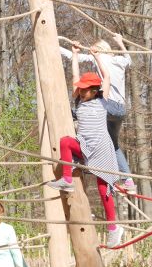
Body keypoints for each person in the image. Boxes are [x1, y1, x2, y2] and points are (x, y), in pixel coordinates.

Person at [48, 44, 123, 248]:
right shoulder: (80, 102)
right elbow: (74, 78)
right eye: (79, 89)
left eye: (84, 90)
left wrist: (96, 57)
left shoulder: (102, 100)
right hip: (85, 146)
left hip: (102, 150)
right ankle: (66, 179)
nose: (80, 91)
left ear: (94, 91)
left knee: (103, 188)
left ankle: (113, 228)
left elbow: (106, 78)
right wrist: (74, 55)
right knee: (65, 142)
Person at [60, 33, 135, 191]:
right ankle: (129, 180)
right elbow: (129, 60)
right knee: (113, 145)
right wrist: (121, 43)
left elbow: (78, 63)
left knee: (80, 114)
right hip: (120, 110)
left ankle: (85, 160)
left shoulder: (98, 58)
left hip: (107, 106)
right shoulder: (119, 60)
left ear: (98, 50)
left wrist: (58, 47)